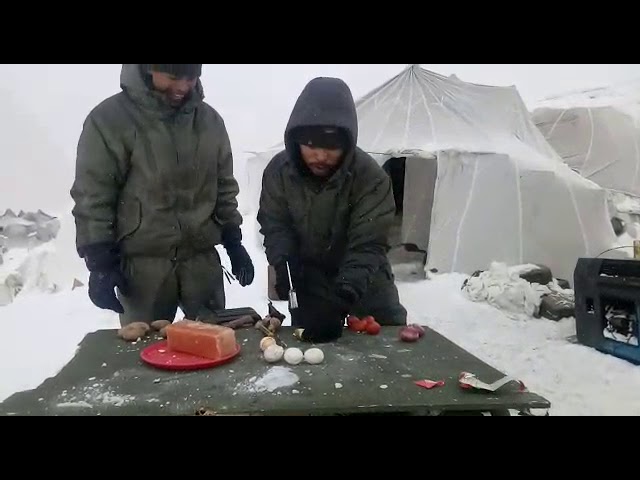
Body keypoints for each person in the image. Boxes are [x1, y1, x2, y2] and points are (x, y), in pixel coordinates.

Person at [70, 64, 254, 327]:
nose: (182, 87)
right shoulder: (109, 121)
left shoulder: (209, 121)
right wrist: (99, 261)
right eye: (173, 76)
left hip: (201, 261)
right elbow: (94, 194)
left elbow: (224, 187)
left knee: (215, 347)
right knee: (144, 352)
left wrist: (233, 241)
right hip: (143, 267)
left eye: (191, 78)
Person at [257, 76, 408, 343]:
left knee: (386, 353)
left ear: (347, 143)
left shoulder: (370, 178)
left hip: (367, 285)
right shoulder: (278, 173)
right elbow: (275, 224)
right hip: (309, 280)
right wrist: (285, 265)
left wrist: (342, 297)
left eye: (332, 147)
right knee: (311, 360)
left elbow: (368, 244)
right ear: (296, 140)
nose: (321, 156)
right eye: (311, 145)